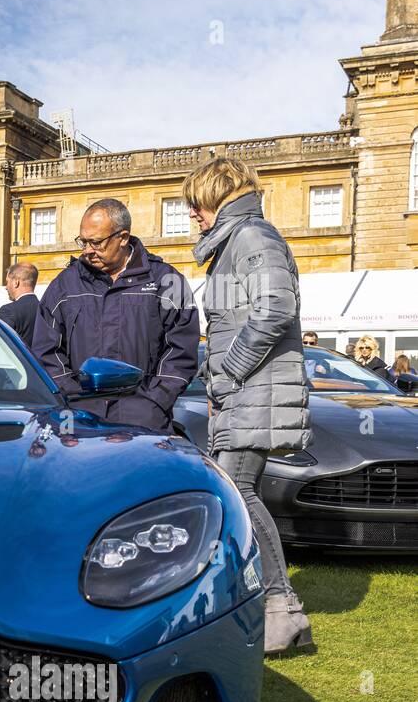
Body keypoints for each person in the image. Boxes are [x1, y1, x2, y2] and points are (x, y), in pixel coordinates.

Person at [184, 156, 313, 655]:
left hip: (251, 390)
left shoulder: (252, 237)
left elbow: (275, 308)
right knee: (238, 493)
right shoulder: (235, 243)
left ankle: (282, 612)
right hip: (240, 393)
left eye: (196, 203)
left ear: (218, 197)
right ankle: (271, 609)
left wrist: (230, 371)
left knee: (235, 494)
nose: (193, 214)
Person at [32, 198, 198, 431]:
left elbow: (181, 351)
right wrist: (71, 398)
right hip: (79, 418)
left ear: (123, 238)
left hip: (144, 419)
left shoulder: (166, 281)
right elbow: (45, 351)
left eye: (96, 242)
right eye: (83, 241)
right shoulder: (64, 285)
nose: (88, 250)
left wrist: (153, 402)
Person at [0, 262, 40, 346]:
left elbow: (2, 346)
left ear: (16, 282)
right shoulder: (46, 309)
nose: (6, 287)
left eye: (7, 282)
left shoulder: (8, 310)